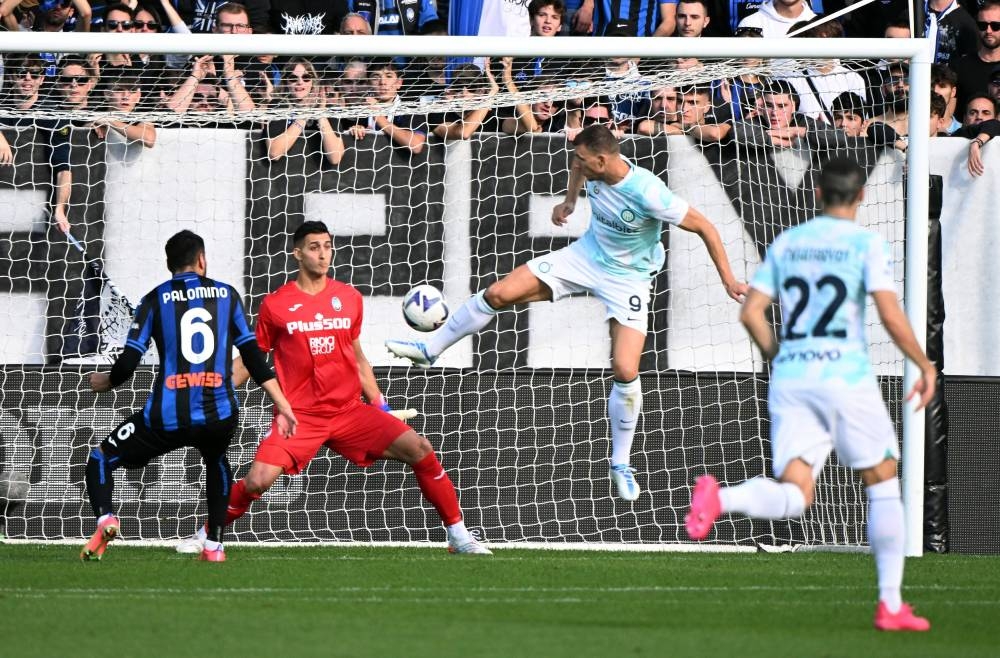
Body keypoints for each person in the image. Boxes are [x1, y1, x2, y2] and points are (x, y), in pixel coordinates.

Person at [386, 125, 747, 501]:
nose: (575, 163)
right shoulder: (589, 166)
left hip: (629, 279)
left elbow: (705, 226)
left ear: (602, 160)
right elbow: (576, 171)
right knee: (497, 293)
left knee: (626, 369)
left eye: (581, 158)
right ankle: (431, 350)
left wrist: (729, 280)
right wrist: (570, 202)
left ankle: (620, 462)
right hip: (585, 257)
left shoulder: (648, 192)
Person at [685, 156, 935, 632]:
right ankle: (890, 603)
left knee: (797, 495)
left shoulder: (789, 243)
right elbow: (888, 312)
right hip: (843, 372)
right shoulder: (866, 243)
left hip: (792, 375)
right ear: (861, 197)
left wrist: (779, 356)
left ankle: (722, 499)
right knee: (882, 478)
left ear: (817, 193)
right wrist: (923, 364)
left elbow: (751, 312)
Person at [177, 221, 491, 556]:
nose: (323, 253)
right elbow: (252, 359)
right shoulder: (276, 304)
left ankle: (458, 536)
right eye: (314, 247)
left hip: (349, 412)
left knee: (421, 449)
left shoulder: (349, 298)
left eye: (327, 245)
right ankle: (206, 533)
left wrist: (380, 406)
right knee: (257, 482)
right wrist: (211, 392)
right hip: (299, 417)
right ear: (297, 253)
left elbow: (357, 358)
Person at [80, 230, 298, 562]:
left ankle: (106, 518)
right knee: (217, 461)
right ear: (202, 260)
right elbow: (253, 357)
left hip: (166, 417)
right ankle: (215, 546)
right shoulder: (227, 296)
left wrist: (105, 381)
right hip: (218, 413)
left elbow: (126, 367)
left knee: (101, 459)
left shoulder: (154, 300)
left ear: (169, 265)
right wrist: (281, 403)